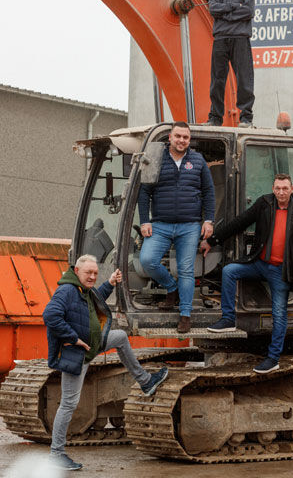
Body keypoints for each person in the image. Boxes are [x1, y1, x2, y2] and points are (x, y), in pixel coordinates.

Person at [43, 254, 169, 471]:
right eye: (88, 273)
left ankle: (145, 381)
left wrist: (109, 283)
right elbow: (50, 315)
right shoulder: (67, 290)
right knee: (68, 404)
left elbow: (96, 300)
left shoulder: (83, 290)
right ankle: (56, 454)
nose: (92, 276)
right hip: (78, 353)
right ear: (76, 271)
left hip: (91, 344)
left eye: (94, 273)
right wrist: (74, 338)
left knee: (119, 337)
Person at [201, 174, 293, 373]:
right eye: (277, 188)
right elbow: (240, 222)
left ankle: (273, 358)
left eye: (285, 188)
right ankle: (228, 319)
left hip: (282, 271)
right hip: (259, 264)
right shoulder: (264, 203)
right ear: (273, 188)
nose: (281, 192)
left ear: (292, 189)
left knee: (279, 314)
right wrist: (212, 240)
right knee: (229, 271)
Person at [138, 121, 216, 333]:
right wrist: (144, 220)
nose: (182, 140)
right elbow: (144, 192)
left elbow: (209, 192)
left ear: (189, 140)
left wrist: (209, 220)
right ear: (170, 138)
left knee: (186, 271)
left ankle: (185, 315)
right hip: (161, 224)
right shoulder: (155, 159)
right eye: (178, 136)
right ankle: (171, 288)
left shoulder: (198, 160)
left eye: (186, 137)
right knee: (147, 260)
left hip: (189, 226)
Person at [206, 0, 256, 128]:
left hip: (240, 39)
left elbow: (248, 12)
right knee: (218, 80)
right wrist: (234, 7)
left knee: (244, 79)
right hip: (221, 39)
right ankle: (215, 118)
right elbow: (213, 9)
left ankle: (246, 118)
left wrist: (225, 13)